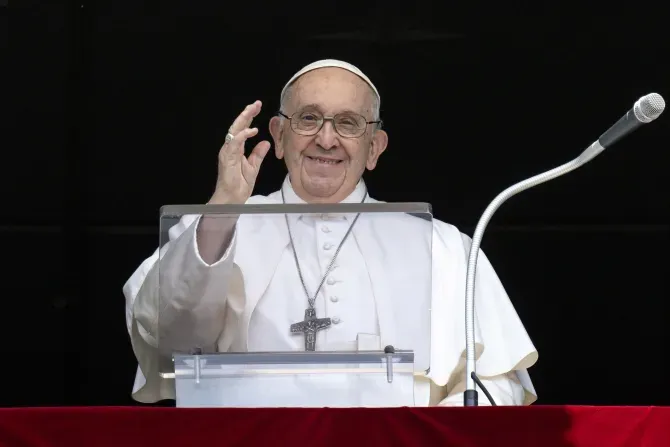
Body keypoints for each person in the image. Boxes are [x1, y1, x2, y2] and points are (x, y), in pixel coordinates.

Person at [123, 59, 539, 406]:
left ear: (375, 147)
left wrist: (421, 436)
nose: (326, 139)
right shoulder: (215, 226)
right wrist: (223, 205)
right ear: (279, 136)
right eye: (308, 118)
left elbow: (497, 384)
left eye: (348, 123)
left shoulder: (443, 247)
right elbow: (166, 336)